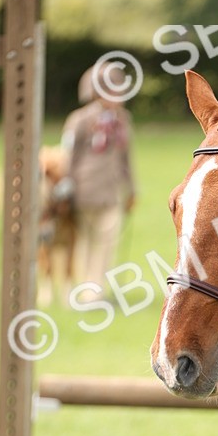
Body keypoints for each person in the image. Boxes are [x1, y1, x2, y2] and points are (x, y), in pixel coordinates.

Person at [61, 63, 136, 299]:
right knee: (84, 241)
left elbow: (126, 157)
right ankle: (85, 288)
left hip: (111, 191)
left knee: (106, 241)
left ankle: (95, 291)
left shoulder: (123, 119)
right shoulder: (80, 119)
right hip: (84, 190)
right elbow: (69, 156)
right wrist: (65, 188)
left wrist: (132, 189)